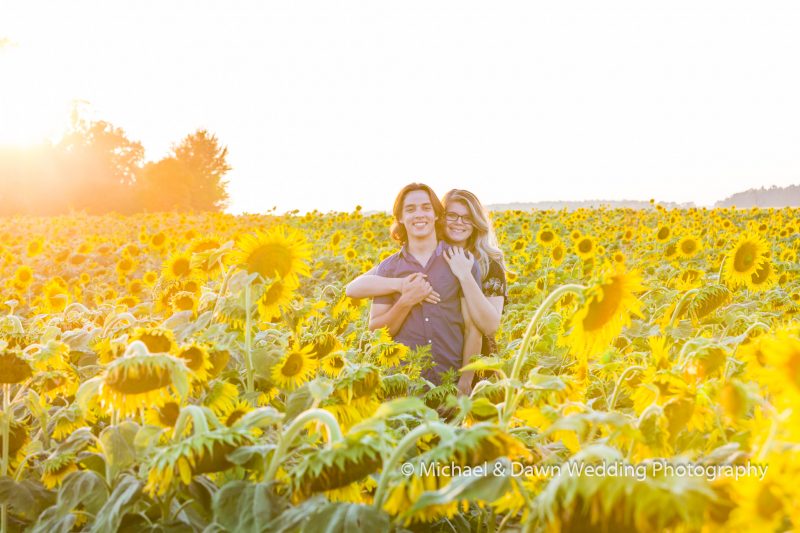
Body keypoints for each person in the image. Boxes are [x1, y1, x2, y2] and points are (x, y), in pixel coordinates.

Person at [346, 183, 483, 395]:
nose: (419, 214)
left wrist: (465, 382)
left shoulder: (460, 261)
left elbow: (472, 329)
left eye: (426, 208)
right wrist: (406, 300)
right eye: (410, 209)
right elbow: (377, 332)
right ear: (400, 217)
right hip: (404, 387)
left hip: (450, 385)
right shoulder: (389, 268)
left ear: (437, 214)